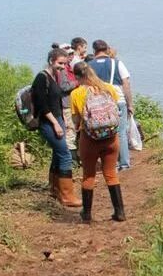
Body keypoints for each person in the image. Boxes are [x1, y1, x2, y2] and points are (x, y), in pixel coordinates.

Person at [70, 62, 125, 222]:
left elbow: (76, 120)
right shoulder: (108, 88)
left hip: (89, 140)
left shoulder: (77, 93)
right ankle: (119, 212)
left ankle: (86, 214)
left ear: (78, 77)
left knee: (88, 175)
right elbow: (115, 110)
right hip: (111, 139)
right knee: (111, 174)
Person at [32, 48, 81, 208]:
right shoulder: (41, 78)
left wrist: (63, 122)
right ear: (51, 61)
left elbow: (56, 100)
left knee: (57, 153)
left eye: (64, 64)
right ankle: (67, 196)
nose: (62, 67)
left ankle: (54, 189)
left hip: (58, 119)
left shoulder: (55, 76)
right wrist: (55, 123)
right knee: (65, 154)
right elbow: (42, 105)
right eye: (60, 63)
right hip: (48, 122)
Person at [87, 40, 134, 170]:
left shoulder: (89, 66)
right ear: (107, 49)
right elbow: (126, 84)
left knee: (103, 132)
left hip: (98, 102)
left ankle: (111, 163)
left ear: (94, 51)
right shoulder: (117, 63)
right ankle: (124, 163)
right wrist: (130, 104)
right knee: (121, 132)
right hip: (118, 99)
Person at [51, 43, 80, 160]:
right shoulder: (63, 70)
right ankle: (72, 159)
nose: (71, 56)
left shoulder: (69, 67)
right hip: (67, 104)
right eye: (68, 55)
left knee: (74, 130)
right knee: (70, 131)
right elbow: (64, 86)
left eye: (72, 54)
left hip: (71, 102)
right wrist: (77, 82)